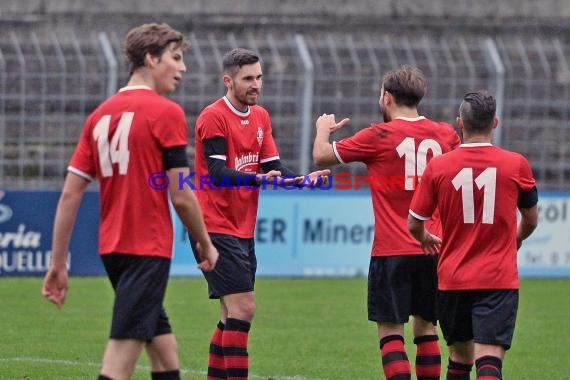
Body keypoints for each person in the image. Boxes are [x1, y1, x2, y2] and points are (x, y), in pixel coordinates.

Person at [42, 23, 219, 380]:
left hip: (113, 248)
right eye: (176, 58)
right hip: (147, 248)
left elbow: (70, 193)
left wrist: (58, 262)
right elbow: (182, 194)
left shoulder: (99, 116)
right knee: (119, 364)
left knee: (166, 354)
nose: (183, 68)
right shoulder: (164, 112)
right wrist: (204, 240)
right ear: (151, 59)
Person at [313, 65, 461, 380]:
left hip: (391, 249)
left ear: (387, 98)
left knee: (391, 331)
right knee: (426, 328)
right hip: (433, 247)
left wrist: (323, 128)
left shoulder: (378, 135)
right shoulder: (446, 134)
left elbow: (321, 156)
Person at [189, 47, 329, 380]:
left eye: (259, 77)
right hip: (214, 227)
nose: (256, 84)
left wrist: (300, 181)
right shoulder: (213, 117)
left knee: (230, 314)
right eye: (248, 78)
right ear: (228, 80)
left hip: (243, 228)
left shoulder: (261, 117)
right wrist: (257, 179)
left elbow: (272, 167)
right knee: (244, 308)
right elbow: (216, 171)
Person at [407, 90, 538, 380]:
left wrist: (424, 238)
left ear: (459, 123)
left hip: (453, 279)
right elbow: (531, 219)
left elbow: (415, 223)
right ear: (495, 123)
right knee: (489, 359)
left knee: (459, 358)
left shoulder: (439, 166)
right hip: (498, 278)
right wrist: (515, 240)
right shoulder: (516, 164)